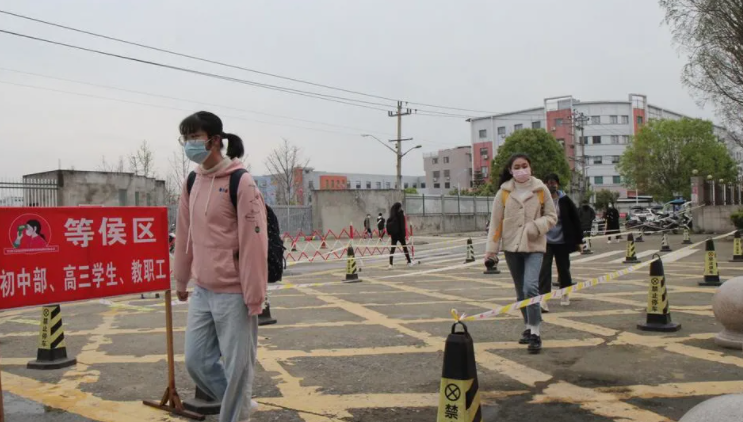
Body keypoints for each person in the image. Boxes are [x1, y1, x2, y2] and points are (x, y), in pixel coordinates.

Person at [174, 111, 266, 422]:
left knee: (238, 369)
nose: (188, 144)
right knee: (196, 361)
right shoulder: (192, 181)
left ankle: (236, 413)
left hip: (234, 292)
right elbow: (184, 233)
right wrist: (181, 279)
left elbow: (254, 244)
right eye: (185, 138)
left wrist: (254, 295)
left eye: (194, 137)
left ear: (214, 141)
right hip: (202, 289)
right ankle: (240, 405)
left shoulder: (241, 181)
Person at [485, 153, 556, 354]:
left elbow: (552, 216)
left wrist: (536, 226)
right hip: (512, 248)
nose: (521, 170)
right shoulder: (503, 193)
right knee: (520, 292)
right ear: (510, 170)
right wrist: (491, 250)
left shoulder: (541, 189)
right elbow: (496, 224)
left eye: (524, 165)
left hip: (534, 246)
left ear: (530, 167)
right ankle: (527, 326)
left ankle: (535, 332)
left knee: (530, 287)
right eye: (517, 167)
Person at [538, 174, 583, 308]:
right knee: (544, 269)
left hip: (562, 241)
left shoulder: (565, 200)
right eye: (548, 183)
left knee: (563, 269)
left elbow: (575, 220)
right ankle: (543, 298)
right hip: (545, 241)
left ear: (557, 184)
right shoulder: (540, 200)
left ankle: (565, 293)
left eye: (553, 183)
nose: (550, 186)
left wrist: (579, 241)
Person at [386, 202, 414, 268]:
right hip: (400, 235)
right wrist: (404, 235)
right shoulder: (401, 215)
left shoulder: (392, 215)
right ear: (399, 207)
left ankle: (390, 264)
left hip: (394, 235)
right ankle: (409, 262)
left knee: (392, 249)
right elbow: (402, 226)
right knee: (405, 248)